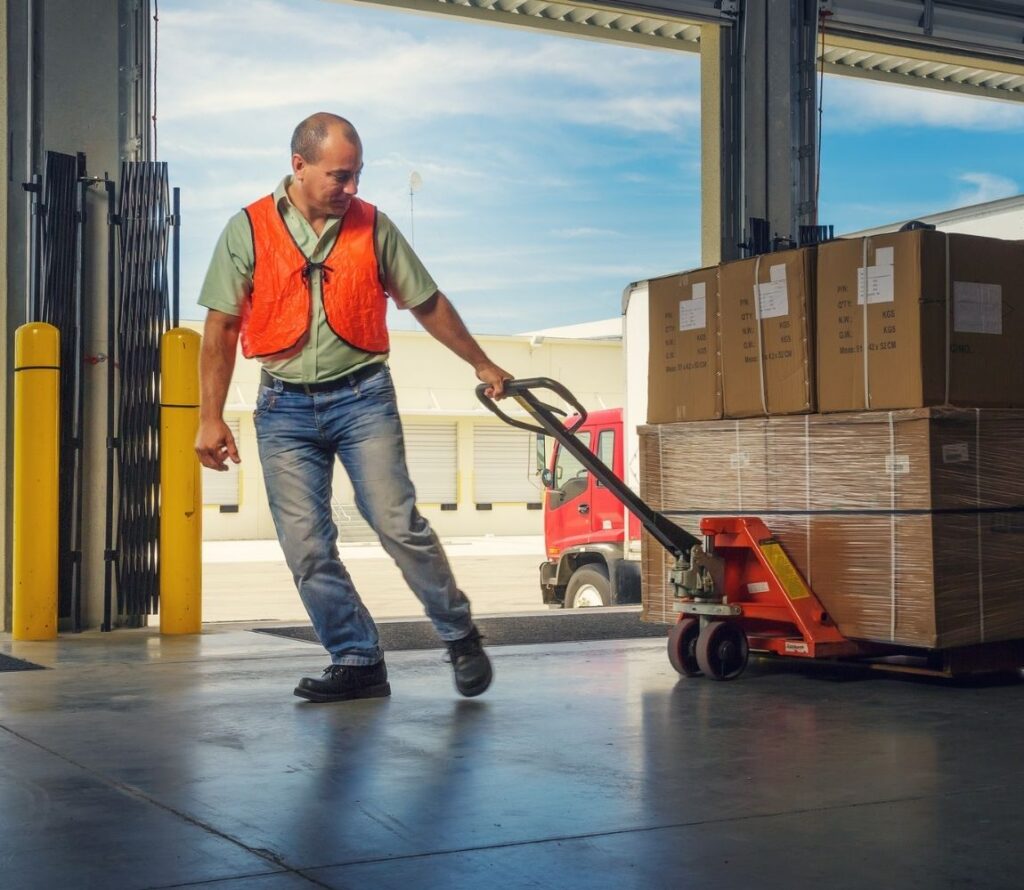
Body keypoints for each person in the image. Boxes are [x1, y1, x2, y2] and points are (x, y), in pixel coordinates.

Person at [195, 112, 512, 703]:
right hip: (282, 409)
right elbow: (220, 328)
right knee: (306, 548)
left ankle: (459, 634)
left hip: (363, 397)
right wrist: (209, 416)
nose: (352, 188)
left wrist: (482, 362)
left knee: (398, 525)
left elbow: (427, 301)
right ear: (299, 166)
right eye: (340, 176)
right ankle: (357, 658)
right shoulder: (249, 228)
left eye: (357, 175)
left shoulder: (373, 226)